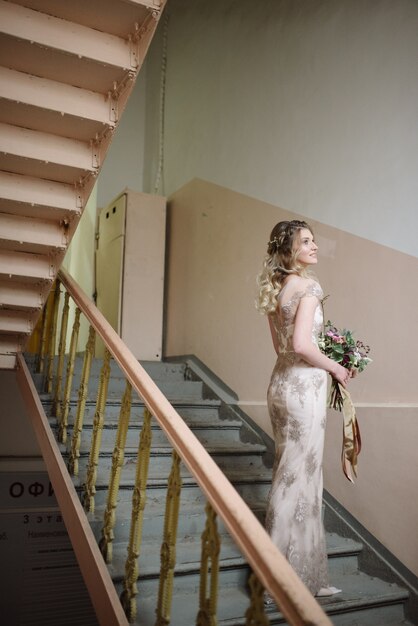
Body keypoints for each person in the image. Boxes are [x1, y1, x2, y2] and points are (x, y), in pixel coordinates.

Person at [256, 219, 351, 598]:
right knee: (296, 477)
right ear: (290, 250)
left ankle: (307, 576)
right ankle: (275, 581)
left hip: (281, 384)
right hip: (304, 389)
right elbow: (300, 344)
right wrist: (337, 367)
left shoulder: (276, 288)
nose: (314, 246)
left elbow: (279, 349)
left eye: (313, 240)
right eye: (306, 241)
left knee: (295, 473)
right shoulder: (310, 287)